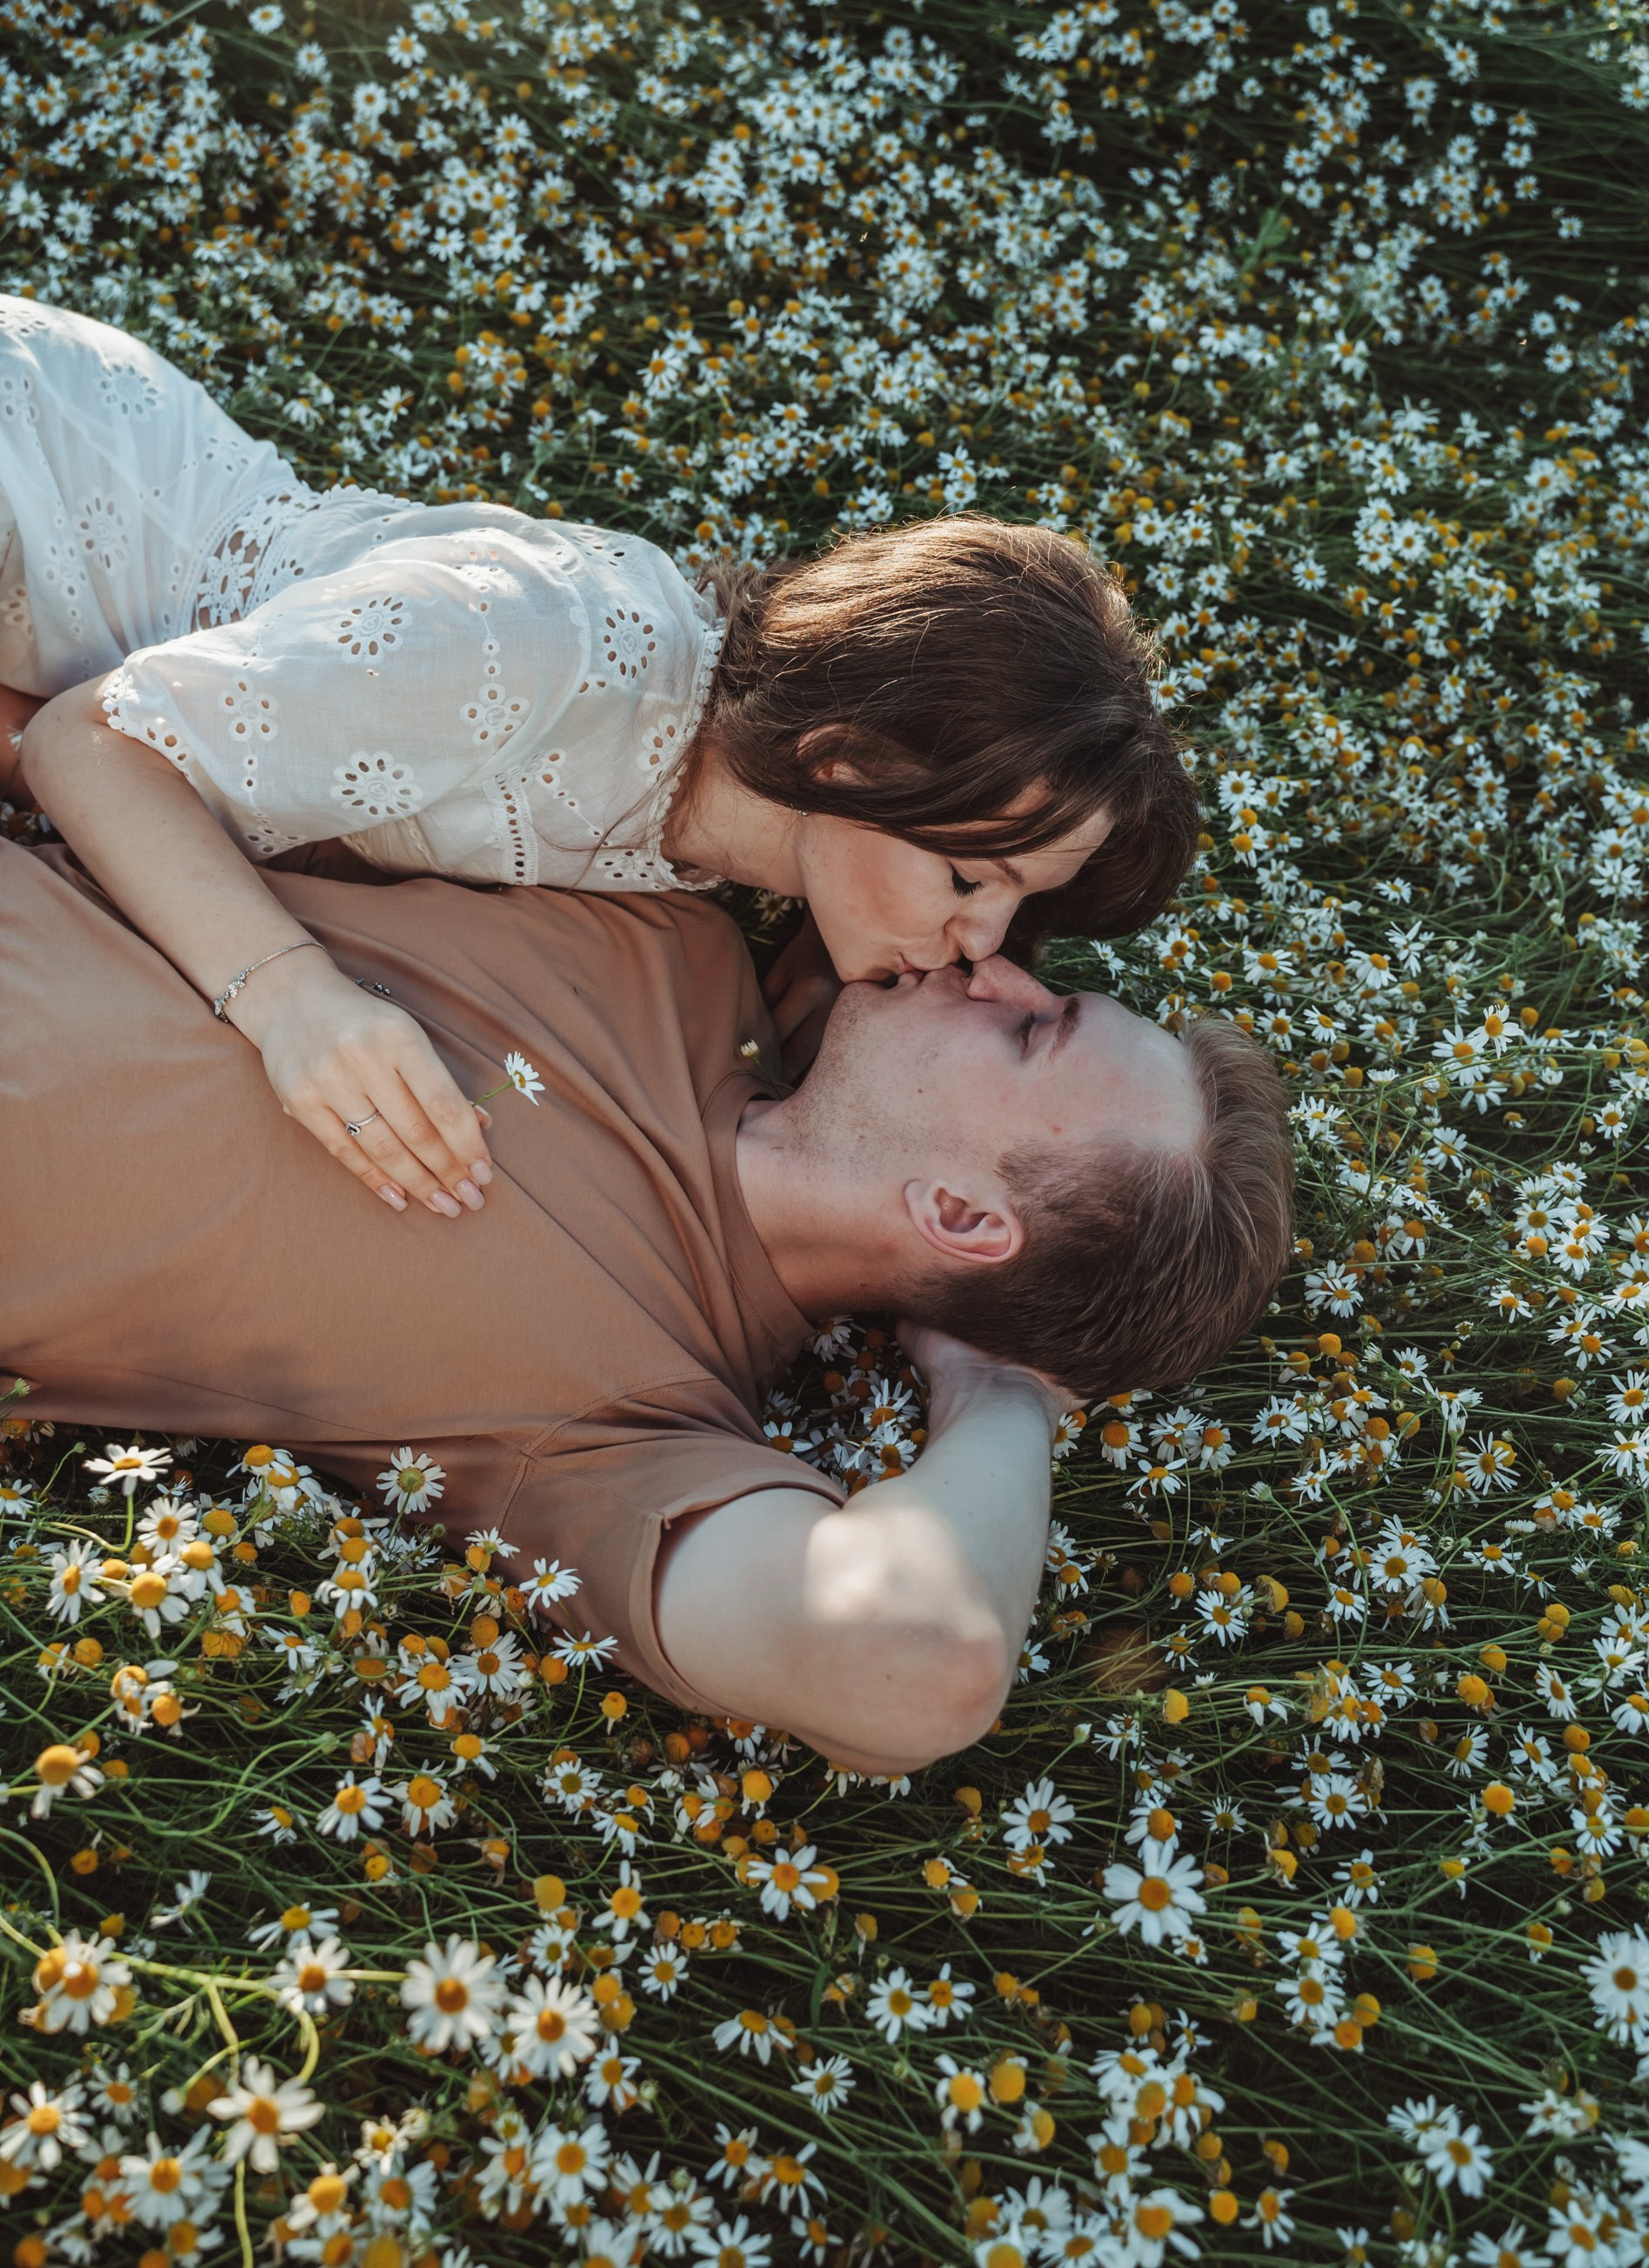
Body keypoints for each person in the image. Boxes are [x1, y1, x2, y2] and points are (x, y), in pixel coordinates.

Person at [0, 835, 1292, 1775]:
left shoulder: (636, 1425)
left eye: (1032, 1032)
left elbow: (916, 1659)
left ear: (959, 1217)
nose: (997, 969)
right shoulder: (677, 932)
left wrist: (997, 1394)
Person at [0, 297, 1196, 1223]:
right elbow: (90, 743)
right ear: (846, 762)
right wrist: (292, 1001)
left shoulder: (727, 855)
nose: (984, 947)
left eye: (1016, 900)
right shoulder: (527, 647)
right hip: (40, 483)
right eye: (971, 878)